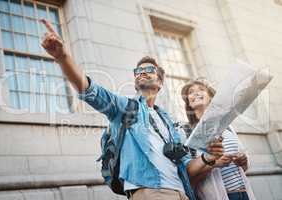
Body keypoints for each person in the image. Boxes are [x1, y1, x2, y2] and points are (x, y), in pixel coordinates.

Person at [40, 19, 224, 200]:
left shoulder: (167, 121)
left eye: (149, 69)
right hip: (151, 192)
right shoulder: (124, 108)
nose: (142, 72)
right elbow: (90, 91)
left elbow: (187, 167)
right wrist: (62, 58)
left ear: (160, 82)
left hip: (182, 192)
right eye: (138, 71)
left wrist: (208, 157)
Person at [176, 77, 256, 200]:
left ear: (211, 98)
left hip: (244, 193)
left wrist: (243, 161)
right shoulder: (185, 132)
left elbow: (244, 168)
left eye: (201, 89)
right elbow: (188, 173)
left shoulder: (228, 127)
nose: (195, 93)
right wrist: (213, 164)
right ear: (189, 102)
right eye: (191, 92)